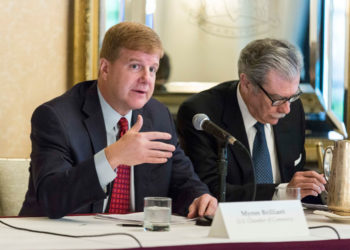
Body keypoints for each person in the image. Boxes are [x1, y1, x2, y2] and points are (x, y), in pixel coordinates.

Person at [19, 22, 217, 219]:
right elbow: (52, 199)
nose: (146, 79)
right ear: (105, 68)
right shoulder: (57, 117)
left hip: (134, 239)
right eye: (135, 66)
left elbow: (182, 180)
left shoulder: (158, 116)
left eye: (152, 69)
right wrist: (112, 157)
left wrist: (198, 197)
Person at [177, 38, 326, 202]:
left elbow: (294, 175)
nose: (286, 109)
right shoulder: (202, 114)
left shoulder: (293, 108)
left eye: (292, 96)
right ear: (247, 83)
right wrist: (281, 192)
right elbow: (211, 189)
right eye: (276, 99)